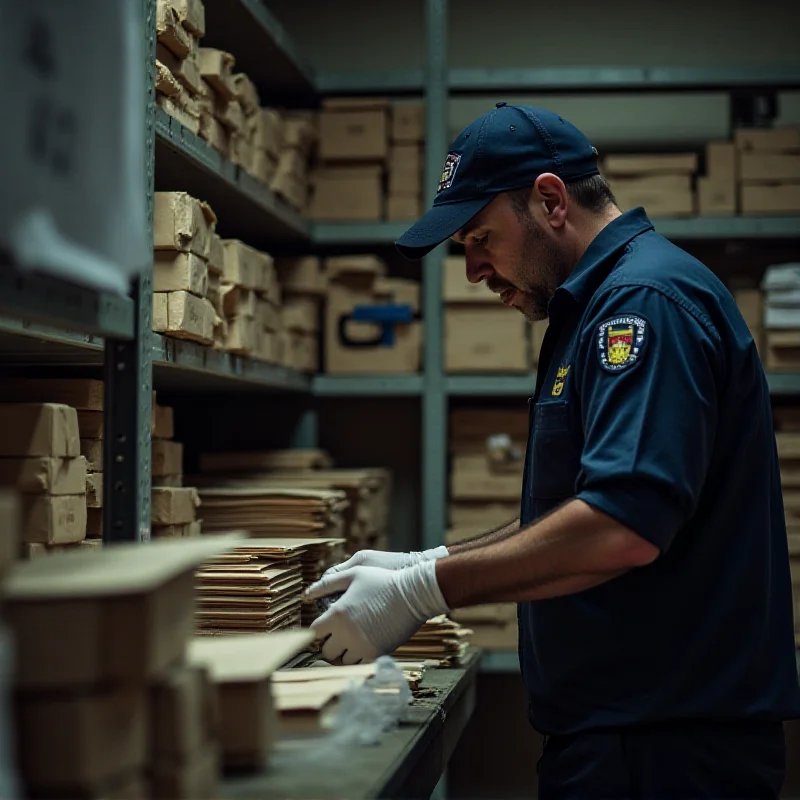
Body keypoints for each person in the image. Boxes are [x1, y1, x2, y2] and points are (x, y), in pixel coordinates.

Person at [306, 103, 800, 798]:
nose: (473, 268)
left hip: (664, 751)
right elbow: (581, 503)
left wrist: (425, 592)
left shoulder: (643, 304)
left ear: (549, 199)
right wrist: (435, 559)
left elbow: (620, 527)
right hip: (628, 737)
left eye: (482, 237)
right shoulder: (596, 306)